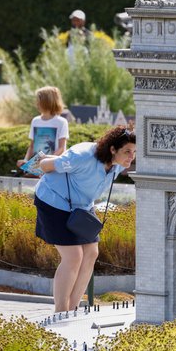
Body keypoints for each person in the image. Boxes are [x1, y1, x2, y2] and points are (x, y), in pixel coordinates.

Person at [34, 126, 136, 312]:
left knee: (91, 253)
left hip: (81, 207)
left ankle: (72, 310)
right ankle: (61, 311)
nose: (132, 156)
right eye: (127, 151)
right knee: (73, 257)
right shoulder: (82, 156)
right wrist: (51, 159)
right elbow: (43, 166)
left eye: (134, 152)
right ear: (112, 149)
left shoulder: (118, 163)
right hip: (54, 201)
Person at [17, 86, 69, 170]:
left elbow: (61, 148)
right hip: (36, 168)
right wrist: (26, 160)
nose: (36, 103)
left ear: (46, 102)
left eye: (38, 101)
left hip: (53, 167)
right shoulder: (35, 121)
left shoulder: (61, 122)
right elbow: (32, 146)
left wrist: (47, 162)